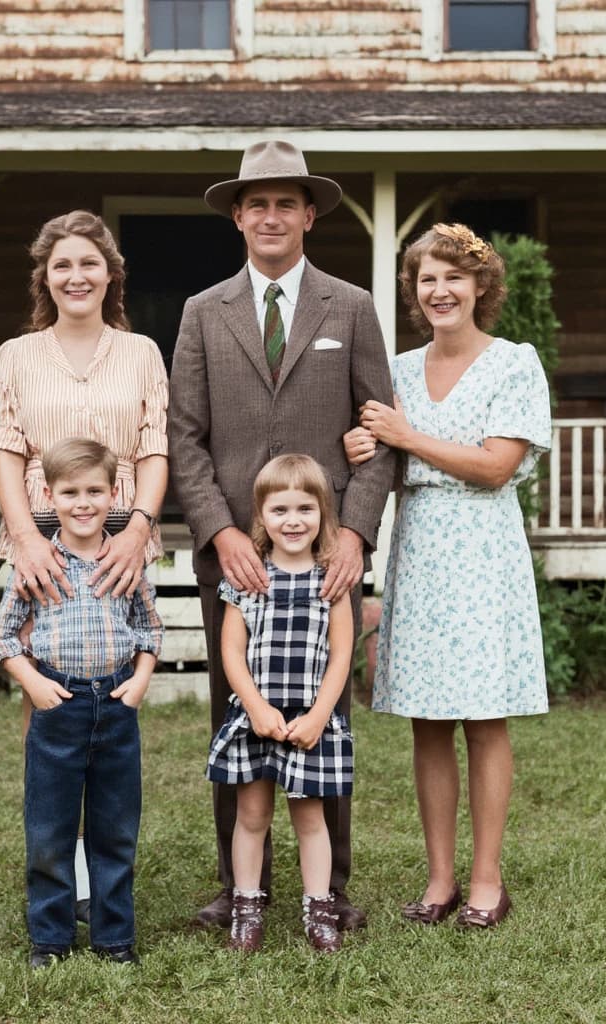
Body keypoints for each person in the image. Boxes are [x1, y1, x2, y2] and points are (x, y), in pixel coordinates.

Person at [168, 140, 395, 932]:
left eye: (286, 203)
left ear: (309, 216)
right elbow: (184, 436)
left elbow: (379, 431)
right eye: (257, 203)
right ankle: (242, 887)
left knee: (325, 713)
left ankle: (329, 890)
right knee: (237, 711)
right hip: (237, 558)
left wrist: (355, 533)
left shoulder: (351, 307)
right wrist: (219, 531)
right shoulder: (203, 312)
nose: (271, 216)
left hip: (323, 556)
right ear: (238, 216)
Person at [344, 223, 551, 928]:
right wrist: (363, 443)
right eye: (427, 279)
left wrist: (407, 437)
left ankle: (487, 881)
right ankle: (439, 880)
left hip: (484, 550)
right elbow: (381, 457)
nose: (440, 291)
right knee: (428, 722)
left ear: (480, 285)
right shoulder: (398, 371)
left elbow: (496, 466)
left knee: (484, 718)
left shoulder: (513, 363)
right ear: (414, 291)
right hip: (422, 549)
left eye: (454, 277)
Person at [0, 209, 168, 918]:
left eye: (89, 263)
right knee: (49, 699)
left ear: (111, 274)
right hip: (42, 543)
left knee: (111, 695)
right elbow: (6, 451)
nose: (76, 276)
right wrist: (24, 539)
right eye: (62, 264)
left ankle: (104, 873)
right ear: (45, 276)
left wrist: (139, 528)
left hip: (121, 540)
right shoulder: (16, 356)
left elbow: (153, 448)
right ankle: (59, 872)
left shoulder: (142, 353)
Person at [0, 437, 163, 969]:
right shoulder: (37, 565)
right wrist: (31, 681)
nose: (83, 503)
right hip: (58, 705)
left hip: (116, 705)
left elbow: (150, 630)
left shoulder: (125, 563)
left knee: (115, 827)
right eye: (70, 493)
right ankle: (50, 938)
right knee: (50, 828)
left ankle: (114, 938)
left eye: (94, 492)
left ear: (114, 495)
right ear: (48, 496)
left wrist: (140, 680)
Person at [207, 454, 354, 954]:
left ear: (323, 513)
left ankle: (319, 909)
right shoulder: (248, 579)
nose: (293, 521)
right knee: (252, 815)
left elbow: (341, 655)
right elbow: (231, 651)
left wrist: (318, 716)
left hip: (308, 719)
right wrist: (254, 707)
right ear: (261, 516)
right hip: (258, 717)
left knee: (311, 818)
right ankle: (247, 908)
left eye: (305, 509)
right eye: (280, 510)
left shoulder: (331, 580)